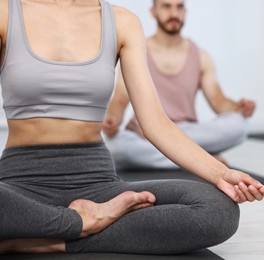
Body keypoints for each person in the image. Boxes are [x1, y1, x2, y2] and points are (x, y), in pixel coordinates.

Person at [0, 0, 264, 255]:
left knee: (218, 209)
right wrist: (78, 220)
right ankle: (81, 223)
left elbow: (155, 124)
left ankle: (43, 241)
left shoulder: (121, 21)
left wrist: (221, 173)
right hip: (19, 184)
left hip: (97, 185)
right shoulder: (6, 12)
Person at [103, 0, 256, 169]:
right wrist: (111, 121)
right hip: (149, 131)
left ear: (185, 11)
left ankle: (181, 155)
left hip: (185, 131)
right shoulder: (137, 52)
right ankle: (200, 159)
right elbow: (118, 101)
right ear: (153, 11)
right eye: (167, 6)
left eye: (179, 7)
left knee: (240, 124)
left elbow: (218, 100)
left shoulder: (201, 56)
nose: (174, 13)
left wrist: (238, 107)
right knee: (116, 146)